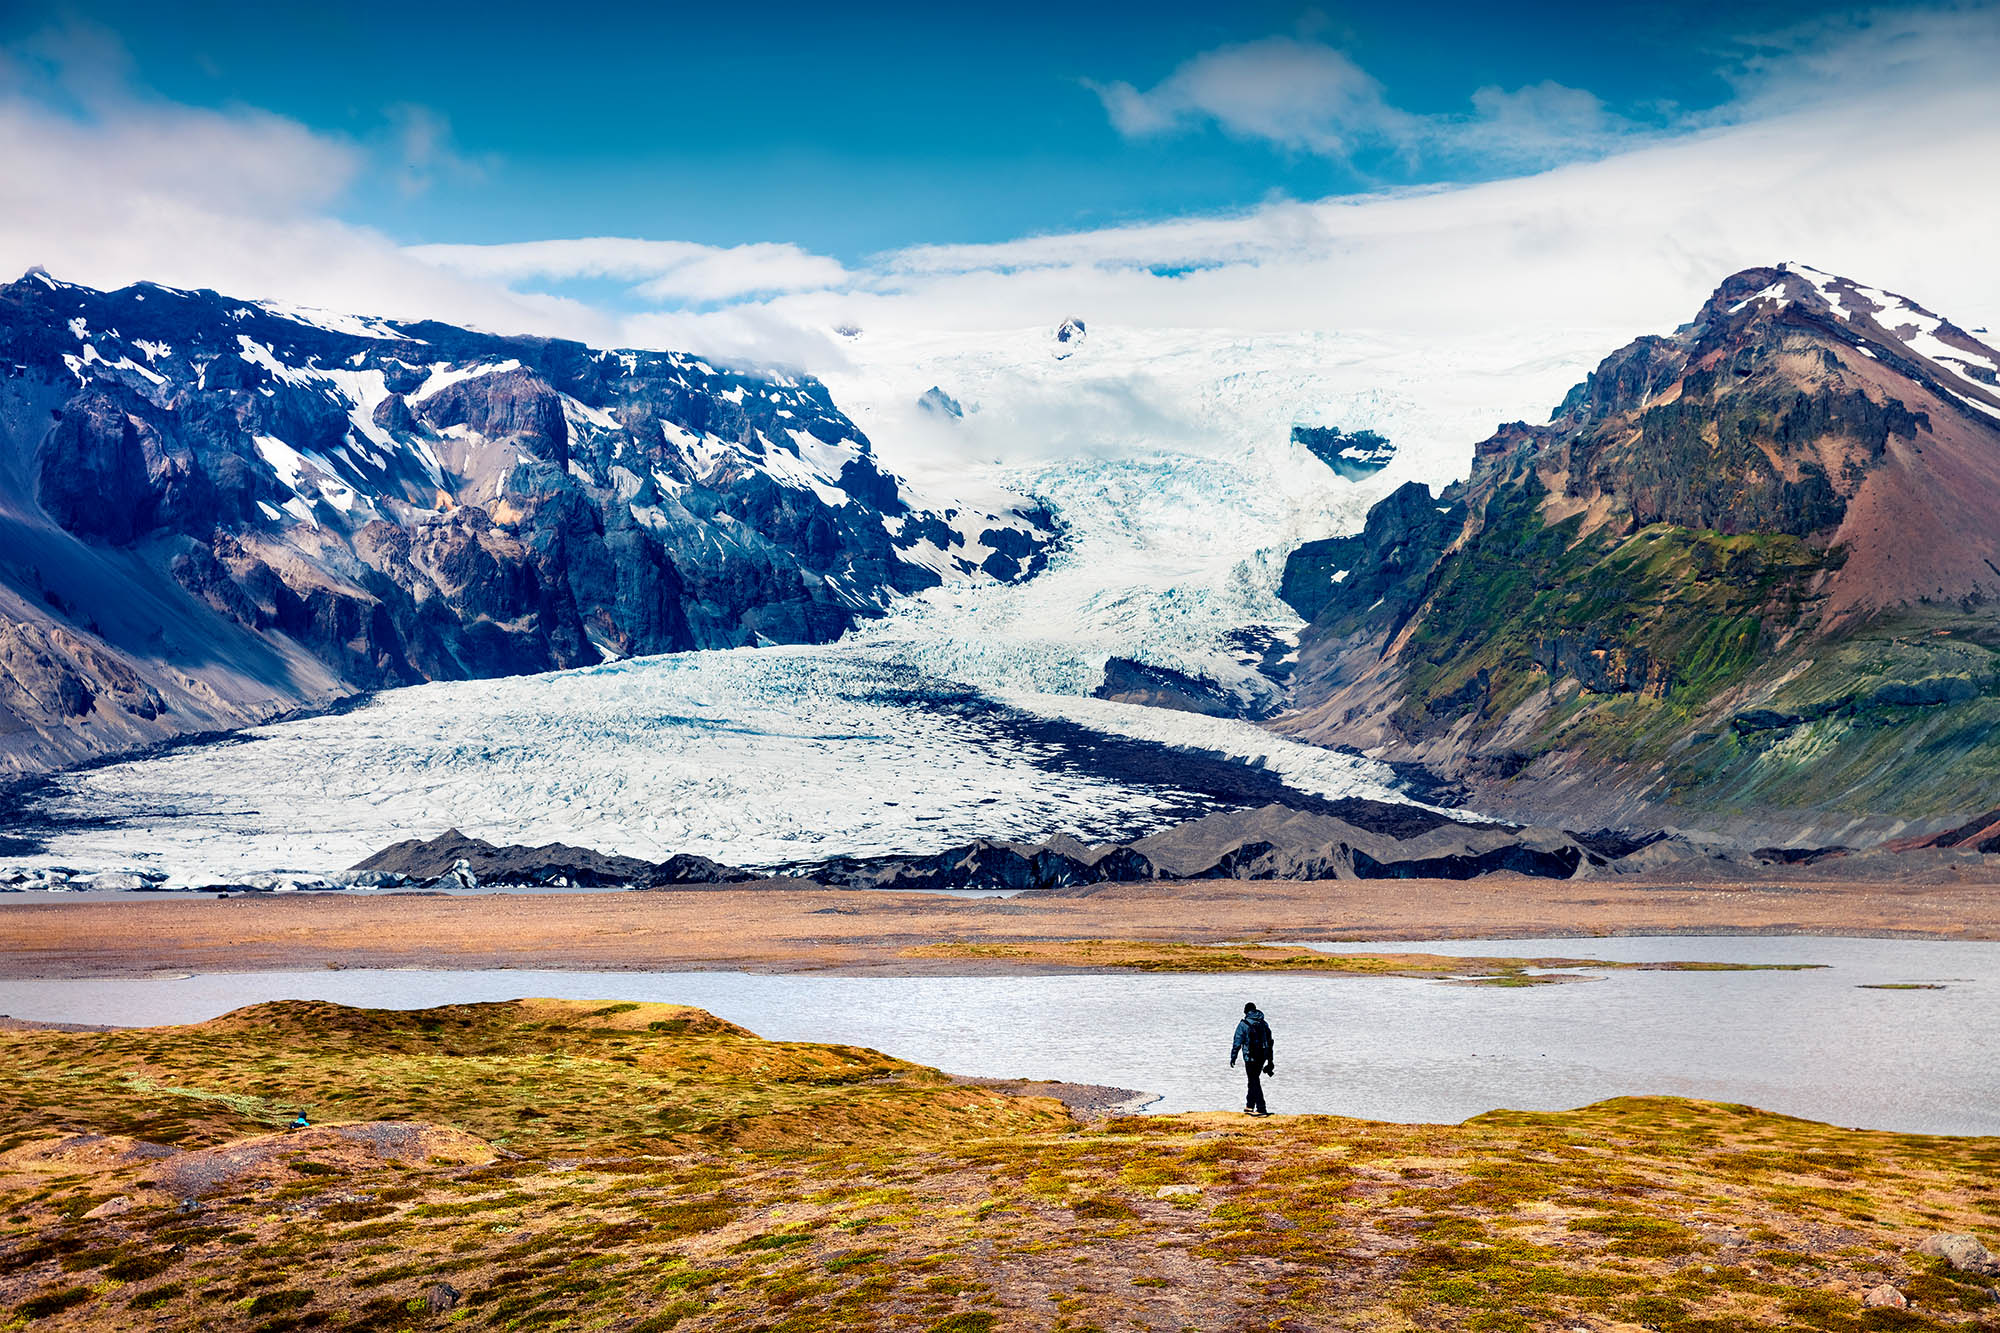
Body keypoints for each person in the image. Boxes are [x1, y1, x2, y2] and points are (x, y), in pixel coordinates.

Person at [1229, 1002, 1275, 1116]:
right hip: (1262, 1056)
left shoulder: (1243, 1024)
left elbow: (1237, 1042)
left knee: (1254, 1080)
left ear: (1246, 1011)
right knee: (1253, 1080)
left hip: (1250, 1057)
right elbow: (1270, 1042)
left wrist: (1233, 1057)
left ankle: (1261, 1108)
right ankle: (1249, 1105)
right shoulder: (1264, 1023)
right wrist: (1270, 1060)